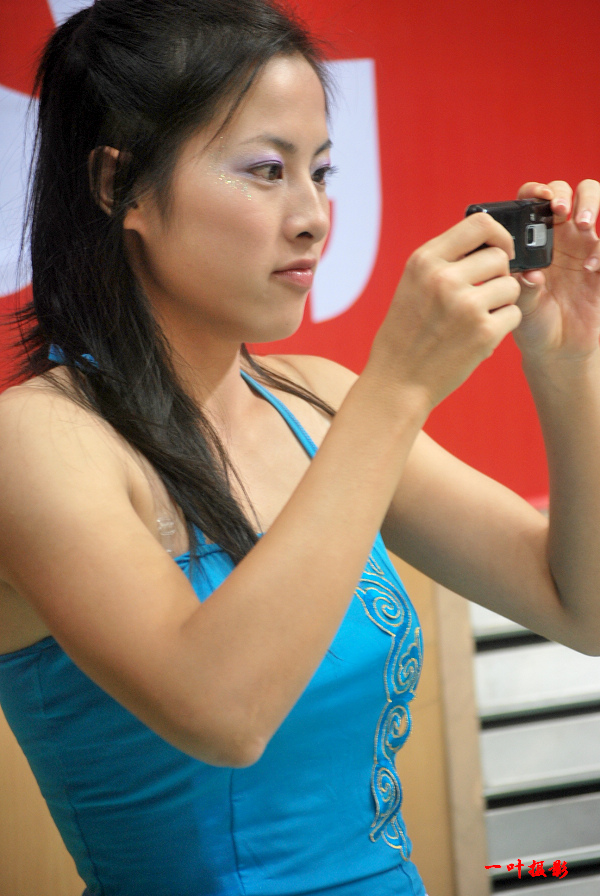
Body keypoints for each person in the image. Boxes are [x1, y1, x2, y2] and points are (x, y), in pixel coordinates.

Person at [0, 0, 599, 894]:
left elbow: (582, 609)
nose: (314, 216)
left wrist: (568, 365)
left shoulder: (319, 402)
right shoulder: (37, 441)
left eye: (320, 172)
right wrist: (399, 387)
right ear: (119, 185)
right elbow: (223, 713)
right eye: (266, 171)